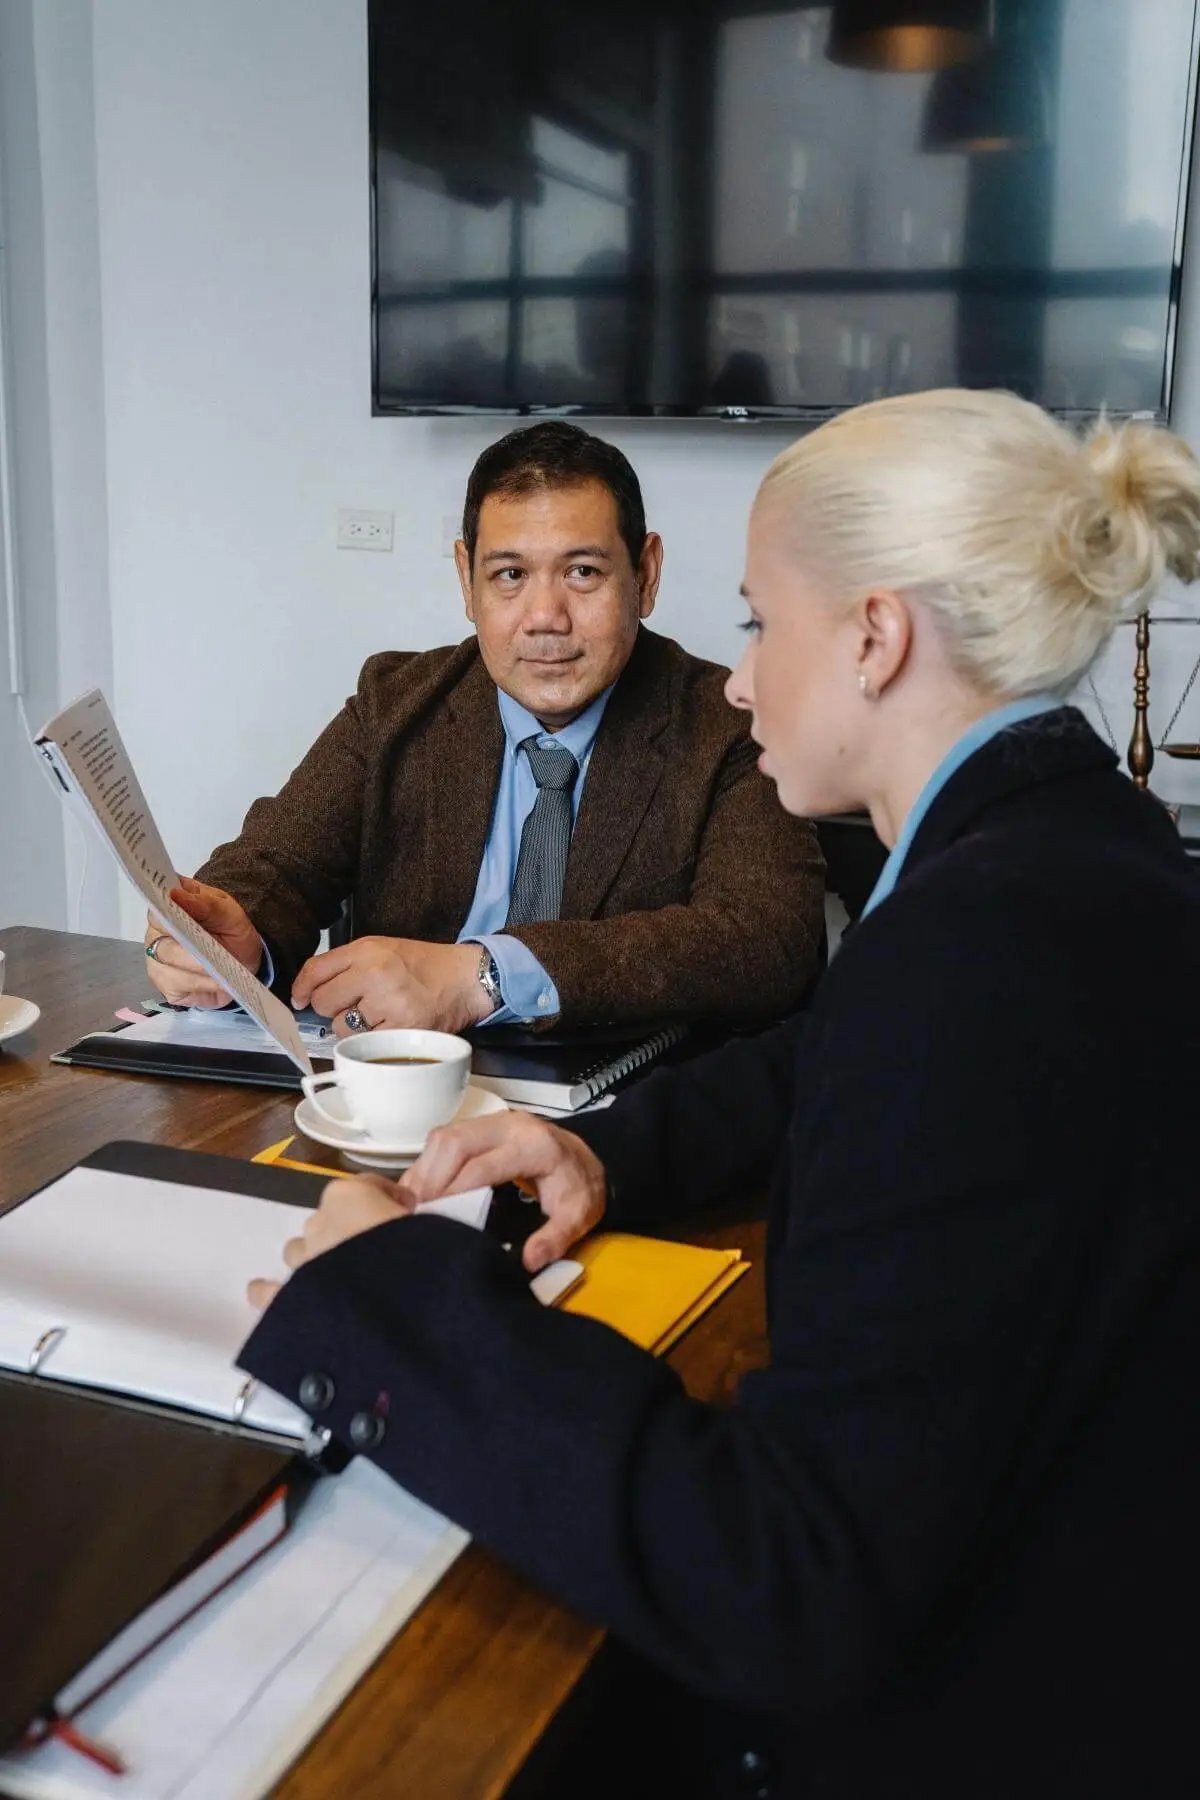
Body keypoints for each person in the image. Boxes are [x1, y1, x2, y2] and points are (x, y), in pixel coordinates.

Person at [239, 389, 1200, 1797]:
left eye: (762, 623)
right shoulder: (1074, 844)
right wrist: (603, 1157)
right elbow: (833, 1053)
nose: (741, 677)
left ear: (872, 637)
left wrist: (396, 1307)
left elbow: (792, 1580)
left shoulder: (968, 959)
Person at [143, 422, 824, 1035]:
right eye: (509, 575)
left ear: (645, 576)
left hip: (619, 1121)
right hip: (403, 1100)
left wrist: (485, 976)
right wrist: (235, 942)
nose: (544, 617)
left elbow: (770, 942)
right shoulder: (395, 704)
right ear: (466, 582)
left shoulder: (728, 725)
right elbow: (276, 865)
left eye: (582, 572)